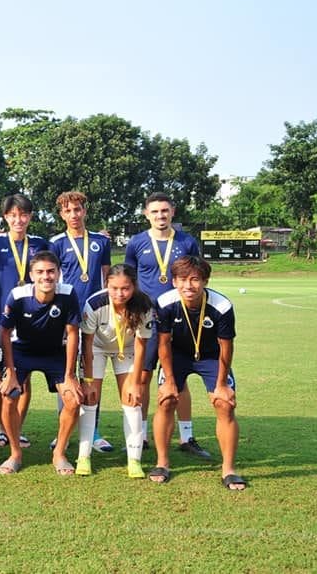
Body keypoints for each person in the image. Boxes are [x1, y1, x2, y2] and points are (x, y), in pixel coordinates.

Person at [125, 192, 207, 457]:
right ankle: (144, 434)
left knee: (179, 377)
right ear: (146, 214)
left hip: (179, 317)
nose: (160, 216)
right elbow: (129, 280)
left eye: (164, 211)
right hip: (148, 317)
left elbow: (199, 276)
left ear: (173, 211)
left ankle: (186, 437)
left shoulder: (187, 241)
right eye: (155, 211)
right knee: (144, 375)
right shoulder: (136, 242)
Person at [151, 256, 244, 490]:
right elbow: (163, 344)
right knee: (166, 400)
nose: (188, 286)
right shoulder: (164, 303)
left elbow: (226, 347)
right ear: (174, 281)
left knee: (225, 404)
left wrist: (222, 384)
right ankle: (162, 462)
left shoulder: (221, 306)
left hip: (212, 357)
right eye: (182, 279)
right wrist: (169, 381)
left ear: (205, 281)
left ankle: (229, 469)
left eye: (195, 280)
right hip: (177, 356)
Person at [0, 251, 82, 475]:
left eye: (51, 271)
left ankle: (59, 453)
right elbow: (4, 332)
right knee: (8, 397)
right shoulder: (17, 295)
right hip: (22, 352)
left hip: (55, 353)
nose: (46, 277)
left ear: (58, 273)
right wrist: (11, 372)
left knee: (73, 400)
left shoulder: (68, 293)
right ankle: (15, 453)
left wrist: (70, 375)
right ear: (31, 275)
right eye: (40, 272)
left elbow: (73, 333)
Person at [0, 194, 49, 449]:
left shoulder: (40, 243)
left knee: (24, 376)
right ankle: (1, 428)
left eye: (24, 214)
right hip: (2, 320)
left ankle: (18, 428)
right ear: (6, 217)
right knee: (1, 375)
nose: (19, 219)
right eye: (13, 215)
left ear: (30, 217)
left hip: (32, 321)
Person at [49, 191, 113, 453]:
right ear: (61, 214)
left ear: (85, 211)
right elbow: (51, 280)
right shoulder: (55, 243)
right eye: (68, 211)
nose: (73, 215)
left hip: (95, 317)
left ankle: (93, 431)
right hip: (67, 318)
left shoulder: (101, 241)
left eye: (77, 209)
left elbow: (107, 278)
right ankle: (62, 430)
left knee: (92, 375)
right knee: (65, 374)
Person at [77, 264, 154, 477]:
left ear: (134, 286)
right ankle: (84, 456)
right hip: (96, 349)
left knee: (132, 400)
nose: (120, 294)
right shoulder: (94, 303)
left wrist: (136, 381)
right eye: (114, 288)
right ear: (106, 285)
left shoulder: (144, 305)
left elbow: (141, 345)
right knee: (90, 399)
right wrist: (89, 379)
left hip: (127, 349)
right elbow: (87, 341)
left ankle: (134, 460)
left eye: (125, 288)